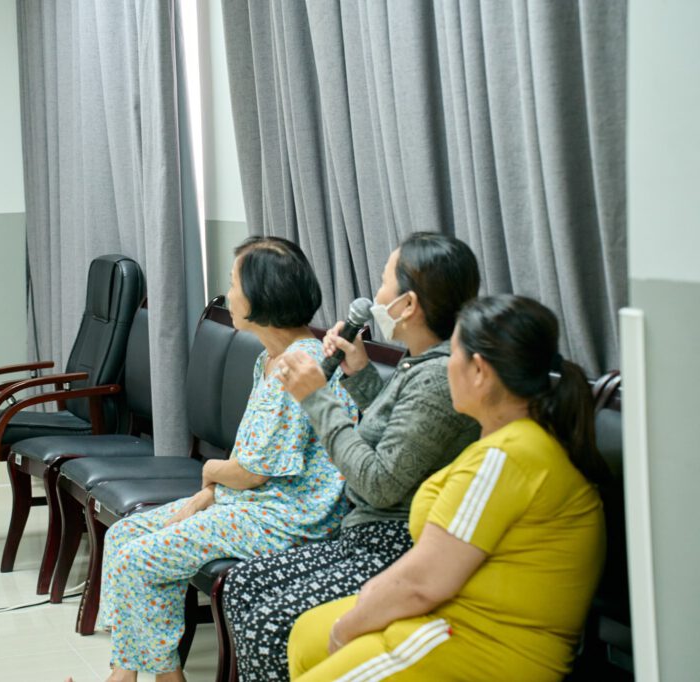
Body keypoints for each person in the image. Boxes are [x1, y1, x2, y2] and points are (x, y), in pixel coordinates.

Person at [288, 294, 609, 681]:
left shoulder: (508, 457)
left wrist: (347, 629)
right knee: (307, 633)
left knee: (327, 637)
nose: (445, 366)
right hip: (451, 616)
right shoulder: (506, 443)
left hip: (481, 644)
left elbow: (421, 584)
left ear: (479, 371)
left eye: (453, 354)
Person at [96, 237, 358, 682]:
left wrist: (209, 473)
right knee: (125, 536)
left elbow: (252, 472)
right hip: (249, 504)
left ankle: (152, 679)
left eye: (234, 283)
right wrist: (209, 494)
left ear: (261, 296)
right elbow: (250, 452)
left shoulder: (301, 366)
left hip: (287, 518)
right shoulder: (270, 360)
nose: (229, 293)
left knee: (139, 559)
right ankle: (130, 673)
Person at [223, 232, 482, 681]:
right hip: (363, 533)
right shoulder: (419, 363)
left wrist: (317, 398)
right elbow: (399, 434)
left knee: (269, 621)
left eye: (384, 283)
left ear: (407, 305)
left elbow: (379, 483)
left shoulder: (438, 378)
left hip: (394, 545)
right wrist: (359, 373)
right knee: (242, 585)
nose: (374, 295)